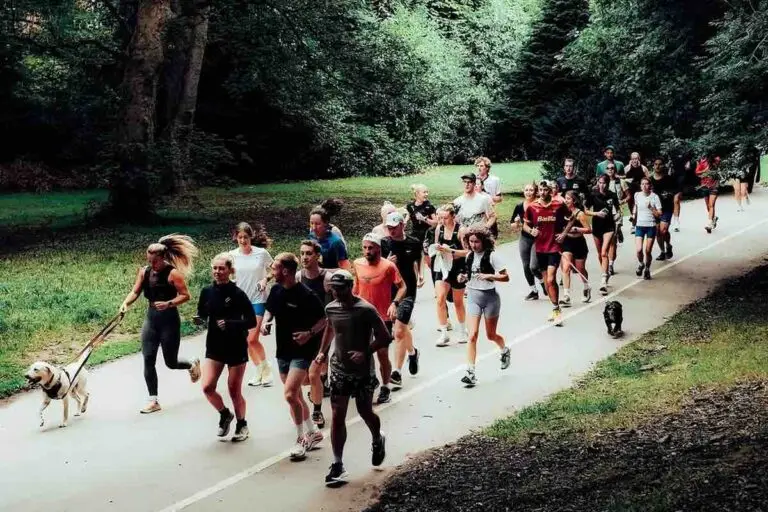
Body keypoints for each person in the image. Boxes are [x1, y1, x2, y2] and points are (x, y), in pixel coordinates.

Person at [317, 270, 390, 486]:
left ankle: (378, 438)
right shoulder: (330, 308)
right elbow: (330, 329)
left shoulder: (365, 310)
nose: (336, 293)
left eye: (340, 289)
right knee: (338, 414)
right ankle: (337, 463)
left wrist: (365, 352)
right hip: (339, 368)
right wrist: (322, 352)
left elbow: (385, 336)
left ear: (350, 287)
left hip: (362, 371)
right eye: (333, 289)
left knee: (364, 411)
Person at [120, 234, 201, 414]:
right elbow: (135, 291)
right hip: (151, 319)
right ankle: (153, 400)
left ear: (162, 258)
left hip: (169, 321)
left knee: (170, 362)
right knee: (148, 359)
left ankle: (191, 364)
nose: (152, 265)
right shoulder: (144, 271)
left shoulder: (173, 274)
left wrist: (169, 303)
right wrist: (125, 303)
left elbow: (186, 295)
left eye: (155, 261)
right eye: (149, 260)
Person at [263, 253, 326, 460]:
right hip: (283, 350)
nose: (272, 273)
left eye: (274, 269)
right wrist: (265, 322)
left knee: (290, 394)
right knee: (296, 396)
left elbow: (324, 319)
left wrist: (309, 334)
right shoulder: (276, 290)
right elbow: (270, 310)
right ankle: (314, 432)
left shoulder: (306, 295)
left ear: (286, 271)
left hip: (302, 351)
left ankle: (301, 439)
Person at [195, 253, 256, 442]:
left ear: (230, 270)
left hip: (236, 345)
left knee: (233, 389)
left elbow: (251, 321)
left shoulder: (237, 294)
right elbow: (202, 313)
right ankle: (224, 414)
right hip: (215, 345)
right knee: (207, 387)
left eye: (222, 268)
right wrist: (199, 319)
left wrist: (231, 324)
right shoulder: (207, 291)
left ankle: (242, 424)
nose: (218, 272)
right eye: (215, 268)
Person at [352, 233, 407, 405]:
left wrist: (395, 304)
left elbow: (402, 286)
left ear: (378, 249)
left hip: (382, 315)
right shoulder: (357, 264)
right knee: (362, 351)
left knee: (382, 353)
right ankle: (370, 379)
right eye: (365, 248)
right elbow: (356, 286)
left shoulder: (388, 266)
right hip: (361, 314)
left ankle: (385, 387)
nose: (367, 251)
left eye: (371, 248)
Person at [457, 227, 511, 386]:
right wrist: (462, 277)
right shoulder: (469, 256)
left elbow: (506, 276)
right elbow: (469, 275)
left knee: (490, 335)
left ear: (484, 241)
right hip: (473, 297)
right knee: (472, 335)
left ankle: (504, 350)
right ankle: (470, 372)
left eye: (477, 241)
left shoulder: (492, 256)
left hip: (490, 298)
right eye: (471, 241)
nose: (473, 245)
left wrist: (489, 276)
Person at [522, 181, 576, 326]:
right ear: (538, 191)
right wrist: (530, 230)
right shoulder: (532, 207)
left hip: (554, 247)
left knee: (552, 279)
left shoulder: (558, 204)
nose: (544, 192)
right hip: (540, 248)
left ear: (550, 191)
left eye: (546, 190)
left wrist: (564, 233)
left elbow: (572, 217)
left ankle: (557, 311)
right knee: (547, 281)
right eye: (541, 190)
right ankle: (555, 307)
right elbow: (525, 224)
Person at [380, 212, 423, 389]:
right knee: (402, 328)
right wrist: (386, 262)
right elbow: (375, 265)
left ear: (402, 226)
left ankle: (396, 373)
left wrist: (421, 275)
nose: (391, 230)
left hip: (407, 292)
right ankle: (412, 353)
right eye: (388, 227)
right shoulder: (383, 244)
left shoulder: (414, 243)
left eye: (394, 227)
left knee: (398, 332)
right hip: (387, 291)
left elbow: (417, 260)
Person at [229, 222, 274, 387]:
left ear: (251, 237)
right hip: (240, 302)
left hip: (258, 299)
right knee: (245, 340)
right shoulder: (231, 255)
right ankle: (259, 370)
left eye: (245, 237)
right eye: (239, 237)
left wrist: (265, 279)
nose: (242, 240)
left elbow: (274, 269)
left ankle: (267, 370)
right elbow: (227, 275)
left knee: (252, 338)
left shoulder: (261, 253)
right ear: (236, 237)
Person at [297, 240, 336, 429]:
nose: (304, 257)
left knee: (313, 373)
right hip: (303, 331)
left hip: (322, 329)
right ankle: (320, 384)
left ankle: (317, 411)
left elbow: (337, 304)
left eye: (309, 253)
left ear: (317, 256)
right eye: (302, 253)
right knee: (305, 378)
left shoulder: (326, 278)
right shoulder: (298, 277)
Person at [432, 204, 469, 346]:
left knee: (457, 301)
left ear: (453, 216)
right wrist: (437, 250)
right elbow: (436, 246)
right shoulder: (438, 229)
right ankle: (444, 333)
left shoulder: (461, 230)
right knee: (440, 299)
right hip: (442, 267)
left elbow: (467, 251)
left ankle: (462, 330)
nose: (442, 220)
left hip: (457, 268)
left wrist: (451, 251)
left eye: (445, 218)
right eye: (440, 217)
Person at [585, 174, 620, 293]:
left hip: (609, 226)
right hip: (597, 227)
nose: (602, 185)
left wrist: (618, 216)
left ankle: (603, 281)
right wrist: (596, 214)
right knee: (600, 253)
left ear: (608, 183)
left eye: (604, 183)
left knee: (604, 252)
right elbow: (585, 210)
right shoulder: (593, 195)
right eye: (600, 182)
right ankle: (605, 272)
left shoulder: (612, 195)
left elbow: (618, 210)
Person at [510, 182, 545, 300]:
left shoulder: (540, 205)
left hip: (538, 238)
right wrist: (517, 223)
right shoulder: (520, 206)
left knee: (534, 266)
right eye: (526, 190)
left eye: (531, 190)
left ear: (535, 192)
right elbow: (513, 225)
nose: (528, 192)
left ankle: (543, 282)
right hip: (525, 238)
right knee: (526, 266)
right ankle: (533, 291)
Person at [560, 191, 592, 306]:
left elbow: (589, 229)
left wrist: (577, 229)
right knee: (566, 267)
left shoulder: (580, 214)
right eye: (565, 198)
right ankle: (566, 295)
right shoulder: (562, 212)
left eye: (569, 198)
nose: (566, 200)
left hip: (579, 243)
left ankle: (586, 287)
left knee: (580, 269)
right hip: (567, 242)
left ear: (574, 200)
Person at [405, 184, 437, 279]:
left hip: (427, 234)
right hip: (415, 234)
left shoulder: (429, 206)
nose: (427, 194)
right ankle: (418, 276)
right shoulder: (410, 206)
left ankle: (435, 277)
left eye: (427, 192)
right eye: (424, 192)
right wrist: (405, 221)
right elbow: (407, 215)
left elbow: (435, 223)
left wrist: (424, 219)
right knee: (412, 254)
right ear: (417, 194)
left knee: (429, 261)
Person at [633, 177, 662, 280]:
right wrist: (633, 218)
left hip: (651, 226)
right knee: (639, 249)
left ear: (650, 185)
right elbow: (635, 207)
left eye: (646, 184)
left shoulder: (655, 197)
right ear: (640, 186)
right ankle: (641, 264)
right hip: (640, 226)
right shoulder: (637, 195)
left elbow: (659, 214)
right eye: (642, 184)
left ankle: (647, 269)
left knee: (648, 251)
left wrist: (651, 208)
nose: (644, 186)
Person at [309, 202, 351, 269]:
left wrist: (324, 272)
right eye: (311, 223)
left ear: (326, 223)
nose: (313, 227)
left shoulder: (336, 241)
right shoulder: (311, 235)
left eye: (318, 224)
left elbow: (345, 268)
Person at [650, 158, 675, 261]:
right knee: (657, 232)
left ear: (663, 166)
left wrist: (669, 194)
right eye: (655, 164)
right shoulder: (649, 180)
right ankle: (662, 251)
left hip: (666, 207)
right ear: (653, 166)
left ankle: (668, 245)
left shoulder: (668, 179)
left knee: (663, 230)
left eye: (660, 164)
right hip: (654, 209)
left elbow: (674, 191)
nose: (657, 166)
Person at [604, 164, 629, 273]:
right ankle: (618, 231)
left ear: (615, 170)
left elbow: (628, 195)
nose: (610, 170)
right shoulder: (602, 182)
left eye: (612, 168)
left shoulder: (621, 182)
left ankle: (610, 264)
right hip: (605, 213)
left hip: (617, 212)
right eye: (608, 168)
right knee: (608, 239)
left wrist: (623, 201)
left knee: (613, 240)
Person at [474, 157, 503, 238]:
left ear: (487, 168)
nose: (479, 168)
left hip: (490, 213)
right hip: (477, 215)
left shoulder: (495, 180)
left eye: (481, 166)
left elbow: (499, 198)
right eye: (478, 166)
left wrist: (487, 198)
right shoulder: (473, 180)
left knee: (491, 238)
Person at [622, 153, 649, 234]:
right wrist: (627, 181)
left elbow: (648, 180)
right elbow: (622, 179)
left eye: (636, 158)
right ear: (631, 159)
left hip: (640, 190)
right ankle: (634, 224)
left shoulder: (643, 168)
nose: (634, 160)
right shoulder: (627, 168)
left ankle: (636, 225)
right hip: (630, 190)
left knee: (638, 206)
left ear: (639, 159)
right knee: (631, 207)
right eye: (633, 159)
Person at [695, 155, 721, 234]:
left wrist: (715, 162)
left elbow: (719, 167)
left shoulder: (716, 159)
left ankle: (709, 224)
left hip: (714, 186)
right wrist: (705, 170)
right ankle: (713, 219)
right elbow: (697, 172)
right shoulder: (701, 161)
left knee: (711, 205)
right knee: (708, 206)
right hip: (704, 186)